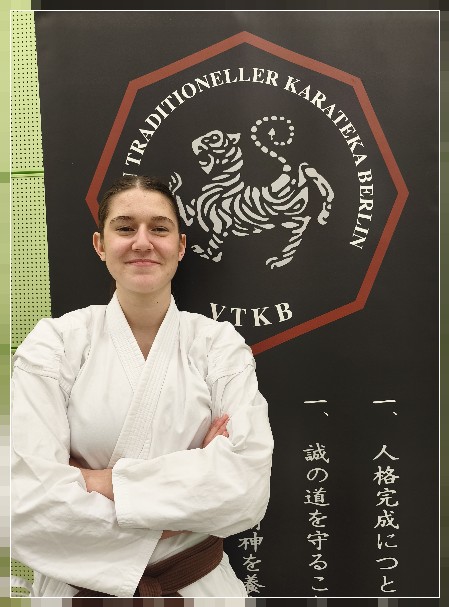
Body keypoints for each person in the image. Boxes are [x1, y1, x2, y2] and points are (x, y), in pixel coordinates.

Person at [11, 175, 274, 597]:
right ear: (100, 244)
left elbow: (246, 489)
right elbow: (30, 504)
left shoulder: (218, 346)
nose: (142, 242)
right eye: (125, 227)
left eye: (159, 228)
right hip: (77, 594)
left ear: (180, 246)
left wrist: (96, 482)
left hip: (197, 589)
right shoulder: (54, 344)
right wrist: (193, 491)